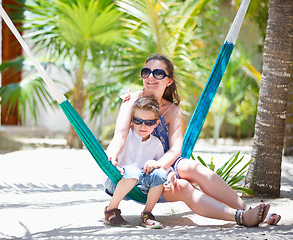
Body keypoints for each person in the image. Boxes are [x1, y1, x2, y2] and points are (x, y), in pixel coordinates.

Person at [106, 53, 281, 227]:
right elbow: (120, 135)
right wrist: (112, 156)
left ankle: (249, 210)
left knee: (192, 166)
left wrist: (163, 167)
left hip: (162, 162)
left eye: (158, 73)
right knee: (183, 187)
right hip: (137, 168)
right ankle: (240, 217)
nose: (151, 77)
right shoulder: (131, 101)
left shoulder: (172, 110)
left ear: (169, 81)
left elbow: (176, 150)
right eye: (146, 72)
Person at [104, 96, 170, 229]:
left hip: (142, 187)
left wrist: (155, 164)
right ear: (132, 121)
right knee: (133, 172)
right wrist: (115, 163)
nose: (143, 126)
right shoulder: (125, 136)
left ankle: (147, 214)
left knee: (161, 173)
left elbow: (162, 169)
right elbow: (112, 151)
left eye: (149, 122)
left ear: (156, 123)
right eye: (138, 121)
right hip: (117, 181)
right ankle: (111, 210)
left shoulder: (156, 143)